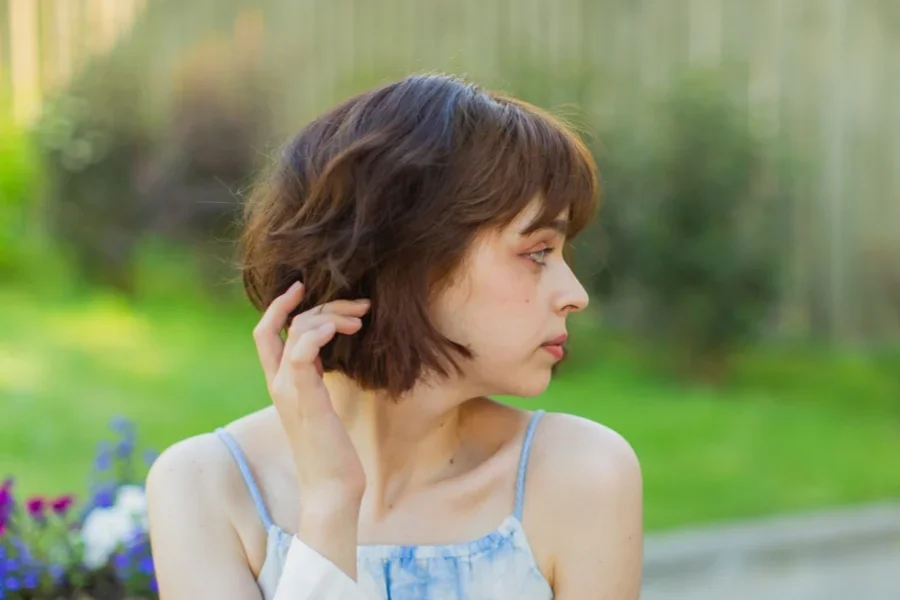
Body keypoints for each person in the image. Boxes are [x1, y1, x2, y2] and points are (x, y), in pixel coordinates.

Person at [146, 73, 643, 599]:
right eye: (537, 253)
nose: (575, 293)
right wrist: (332, 500)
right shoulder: (206, 486)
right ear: (408, 259)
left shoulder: (581, 474)